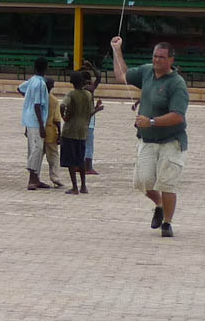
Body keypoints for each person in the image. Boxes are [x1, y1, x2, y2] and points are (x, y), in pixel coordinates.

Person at [111, 35, 189, 238]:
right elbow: (122, 76)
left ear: (171, 59)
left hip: (171, 141)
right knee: (142, 182)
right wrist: (116, 49)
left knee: (166, 183)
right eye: (155, 56)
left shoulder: (177, 83)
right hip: (147, 140)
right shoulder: (146, 72)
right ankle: (159, 204)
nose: (157, 60)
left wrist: (152, 122)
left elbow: (178, 116)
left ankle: (167, 223)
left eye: (162, 57)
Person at [17, 57, 49, 190]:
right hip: (36, 121)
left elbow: (20, 88)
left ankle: (36, 177)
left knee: (34, 149)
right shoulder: (40, 84)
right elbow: (37, 105)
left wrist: (27, 100)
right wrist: (42, 125)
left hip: (29, 119)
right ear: (46, 68)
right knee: (38, 149)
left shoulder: (32, 80)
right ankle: (32, 178)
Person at [60, 70, 94, 194]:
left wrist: (64, 117)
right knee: (80, 159)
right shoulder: (88, 95)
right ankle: (84, 186)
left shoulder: (71, 94)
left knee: (70, 161)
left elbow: (62, 106)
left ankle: (74, 187)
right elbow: (91, 112)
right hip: (82, 131)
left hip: (70, 130)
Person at [81, 59, 104, 174]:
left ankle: (78, 165)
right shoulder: (89, 90)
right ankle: (88, 168)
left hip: (79, 122)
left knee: (81, 144)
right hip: (88, 122)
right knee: (89, 145)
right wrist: (97, 109)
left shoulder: (77, 91)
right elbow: (99, 76)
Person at [42, 78, 64, 188]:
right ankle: (55, 178)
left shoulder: (39, 98)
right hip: (50, 131)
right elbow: (57, 119)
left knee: (38, 155)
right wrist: (60, 134)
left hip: (38, 130)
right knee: (54, 156)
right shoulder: (54, 101)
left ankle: (34, 176)